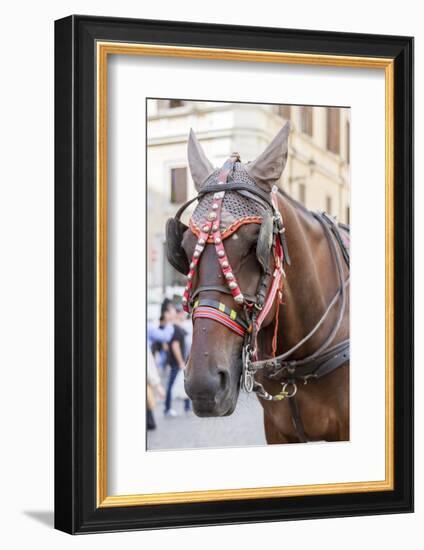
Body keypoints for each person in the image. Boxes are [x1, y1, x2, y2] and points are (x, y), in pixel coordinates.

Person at [163, 301, 187, 417]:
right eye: (180, 312)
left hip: (178, 361)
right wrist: (181, 362)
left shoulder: (177, 327)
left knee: (179, 382)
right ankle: (167, 408)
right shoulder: (175, 328)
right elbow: (175, 346)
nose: (183, 314)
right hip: (177, 362)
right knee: (171, 384)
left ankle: (187, 406)